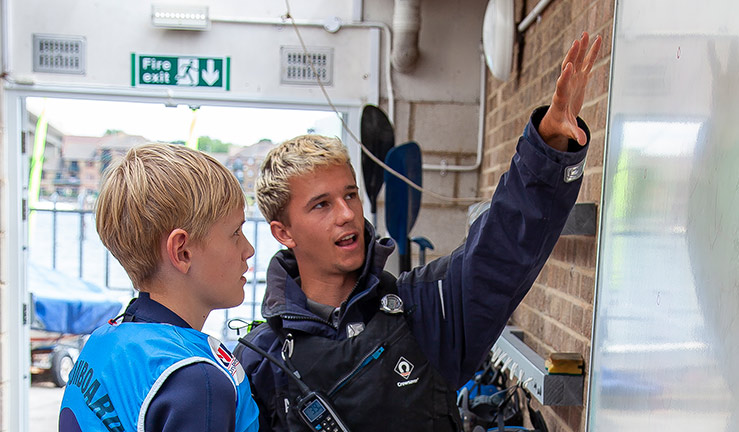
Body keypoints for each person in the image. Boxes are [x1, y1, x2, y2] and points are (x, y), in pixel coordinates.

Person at [235, 32, 602, 432]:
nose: (347, 214)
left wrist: (548, 149)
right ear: (283, 232)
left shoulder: (427, 309)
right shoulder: (260, 362)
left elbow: (504, 248)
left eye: (351, 195)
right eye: (321, 205)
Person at [59, 143, 260, 432]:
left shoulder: (103, 340)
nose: (249, 249)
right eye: (235, 233)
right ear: (182, 252)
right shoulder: (196, 379)